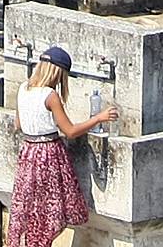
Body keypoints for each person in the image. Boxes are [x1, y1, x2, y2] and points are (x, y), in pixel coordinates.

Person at [9, 45, 116, 247]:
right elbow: (70, 131)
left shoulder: (24, 88)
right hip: (47, 155)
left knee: (31, 211)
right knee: (50, 212)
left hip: (28, 153)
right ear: (58, 72)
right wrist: (99, 118)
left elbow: (18, 124)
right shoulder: (50, 96)